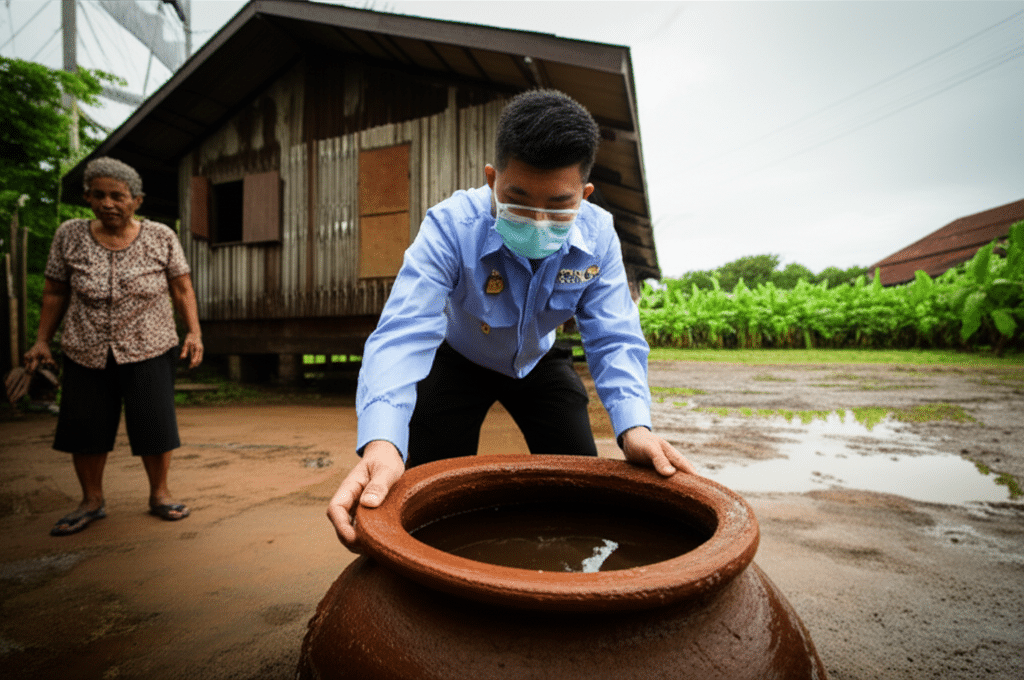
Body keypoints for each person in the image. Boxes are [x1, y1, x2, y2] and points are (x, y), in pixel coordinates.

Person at [327, 90, 696, 550]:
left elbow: (614, 335)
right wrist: (381, 441)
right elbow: (404, 332)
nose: (538, 222)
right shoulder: (449, 226)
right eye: (518, 201)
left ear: (584, 196)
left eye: (559, 206)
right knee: (419, 492)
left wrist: (634, 427)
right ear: (491, 180)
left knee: (579, 487)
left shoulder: (599, 235)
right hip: (458, 359)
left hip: (539, 362)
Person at [23, 156, 203, 536]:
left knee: (154, 422)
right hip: (85, 345)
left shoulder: (160, 236)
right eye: (99, 195)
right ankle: (91, 501)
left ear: (136, 200)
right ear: (87, 197)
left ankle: (160, 494)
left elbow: (182, 287)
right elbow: (55, 291)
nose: (108, 203)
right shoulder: (69, 235)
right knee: (85, 425)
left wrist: (194, 332)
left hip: (149, 343)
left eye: (118, 196)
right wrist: (42, 339)